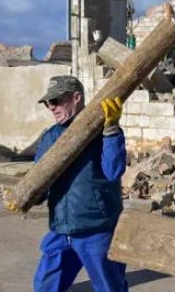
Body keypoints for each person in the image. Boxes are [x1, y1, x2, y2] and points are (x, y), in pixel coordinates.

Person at [32, 75, 129, 291]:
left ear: (76, 97)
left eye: (56, 101)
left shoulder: (103, 132)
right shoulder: (51, 136)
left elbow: (113, 172)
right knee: (45, 286)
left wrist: (112, 129)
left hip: (96, 229)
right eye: (48, 103)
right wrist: (28, 195)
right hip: (61, 229)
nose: (51, 107)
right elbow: (39, 178)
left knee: (108, 286)